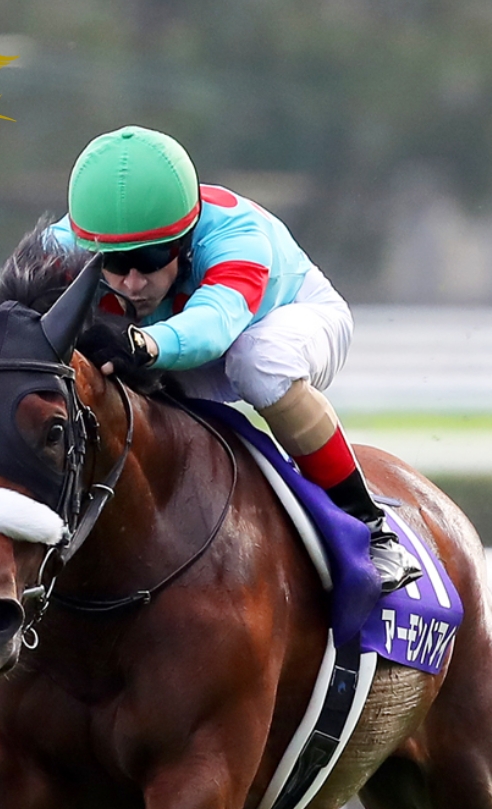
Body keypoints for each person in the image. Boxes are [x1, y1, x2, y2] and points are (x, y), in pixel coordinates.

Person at [50, 124, 420, 593]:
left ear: (185, 239)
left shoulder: (236, 234)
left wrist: (143, 345)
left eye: (152, 258)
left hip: (284, 320)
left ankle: (369, 528)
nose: (133, 282)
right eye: (115, 263)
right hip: (181, 345)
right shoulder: (58, 247)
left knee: (256, 360)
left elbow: (216, 324)